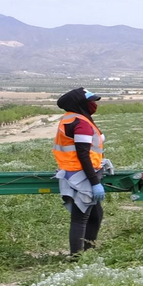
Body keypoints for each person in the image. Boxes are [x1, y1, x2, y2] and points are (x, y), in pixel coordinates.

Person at [52, 87, 111, 259]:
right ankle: (77, 257)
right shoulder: (81, 123)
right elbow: (83, 154)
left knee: (95, 214)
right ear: (80, 103)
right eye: (90, 101)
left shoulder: (72, 118)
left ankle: (88, 252)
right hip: (81, 175)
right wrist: (94, 182)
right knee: (81, 217)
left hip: (76, 171)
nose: (93, 104)